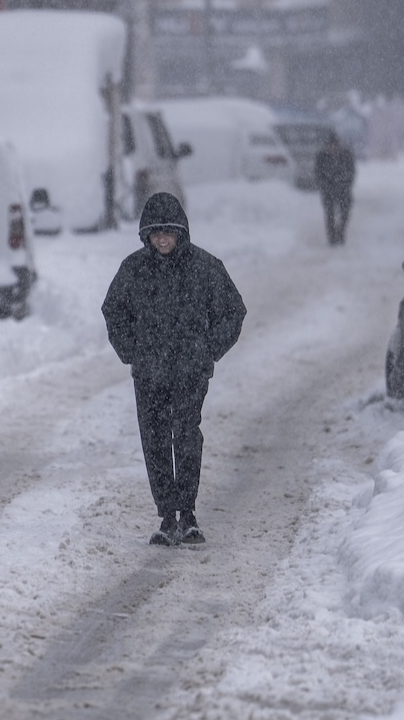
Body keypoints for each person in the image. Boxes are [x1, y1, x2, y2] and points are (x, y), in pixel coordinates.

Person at [102, 192, 246, 546]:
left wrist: (208, 350)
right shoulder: (133, 270)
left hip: (189, 372)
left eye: (169, 232)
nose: (162, 239)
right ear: (146, 235)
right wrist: (131, 352)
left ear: (181, 233)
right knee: (154, 440)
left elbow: (233, 311)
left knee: (185, 436)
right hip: (149, 373)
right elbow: (113, 311)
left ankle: (189, 512)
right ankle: (166, 515)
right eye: (155, 232)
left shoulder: (204, 267)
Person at [314, 132, 356, 245]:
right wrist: (326, 187)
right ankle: (332, 238)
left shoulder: (346, 156)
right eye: (330, 146)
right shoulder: (321, 157)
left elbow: (351, 173)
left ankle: (341, 232)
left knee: (345, 213)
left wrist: (344, 185)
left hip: (344, 190)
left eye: (334, 145)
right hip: (328, 191)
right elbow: (318, 175)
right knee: (329, 214)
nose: (332, 148)